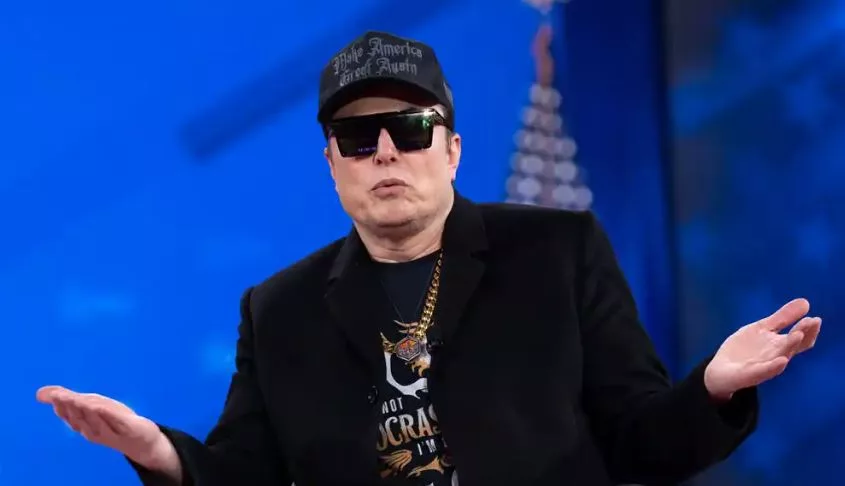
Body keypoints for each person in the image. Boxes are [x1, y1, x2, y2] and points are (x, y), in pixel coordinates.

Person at [37, 30, 821, 486]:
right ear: (332, 165)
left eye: (410, 130)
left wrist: (713, 388)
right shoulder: (278, 309)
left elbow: (639, 441)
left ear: (451, 151)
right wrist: (157, 452)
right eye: (357, 138)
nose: (385, 152)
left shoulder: (557, 252)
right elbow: (245, 475)